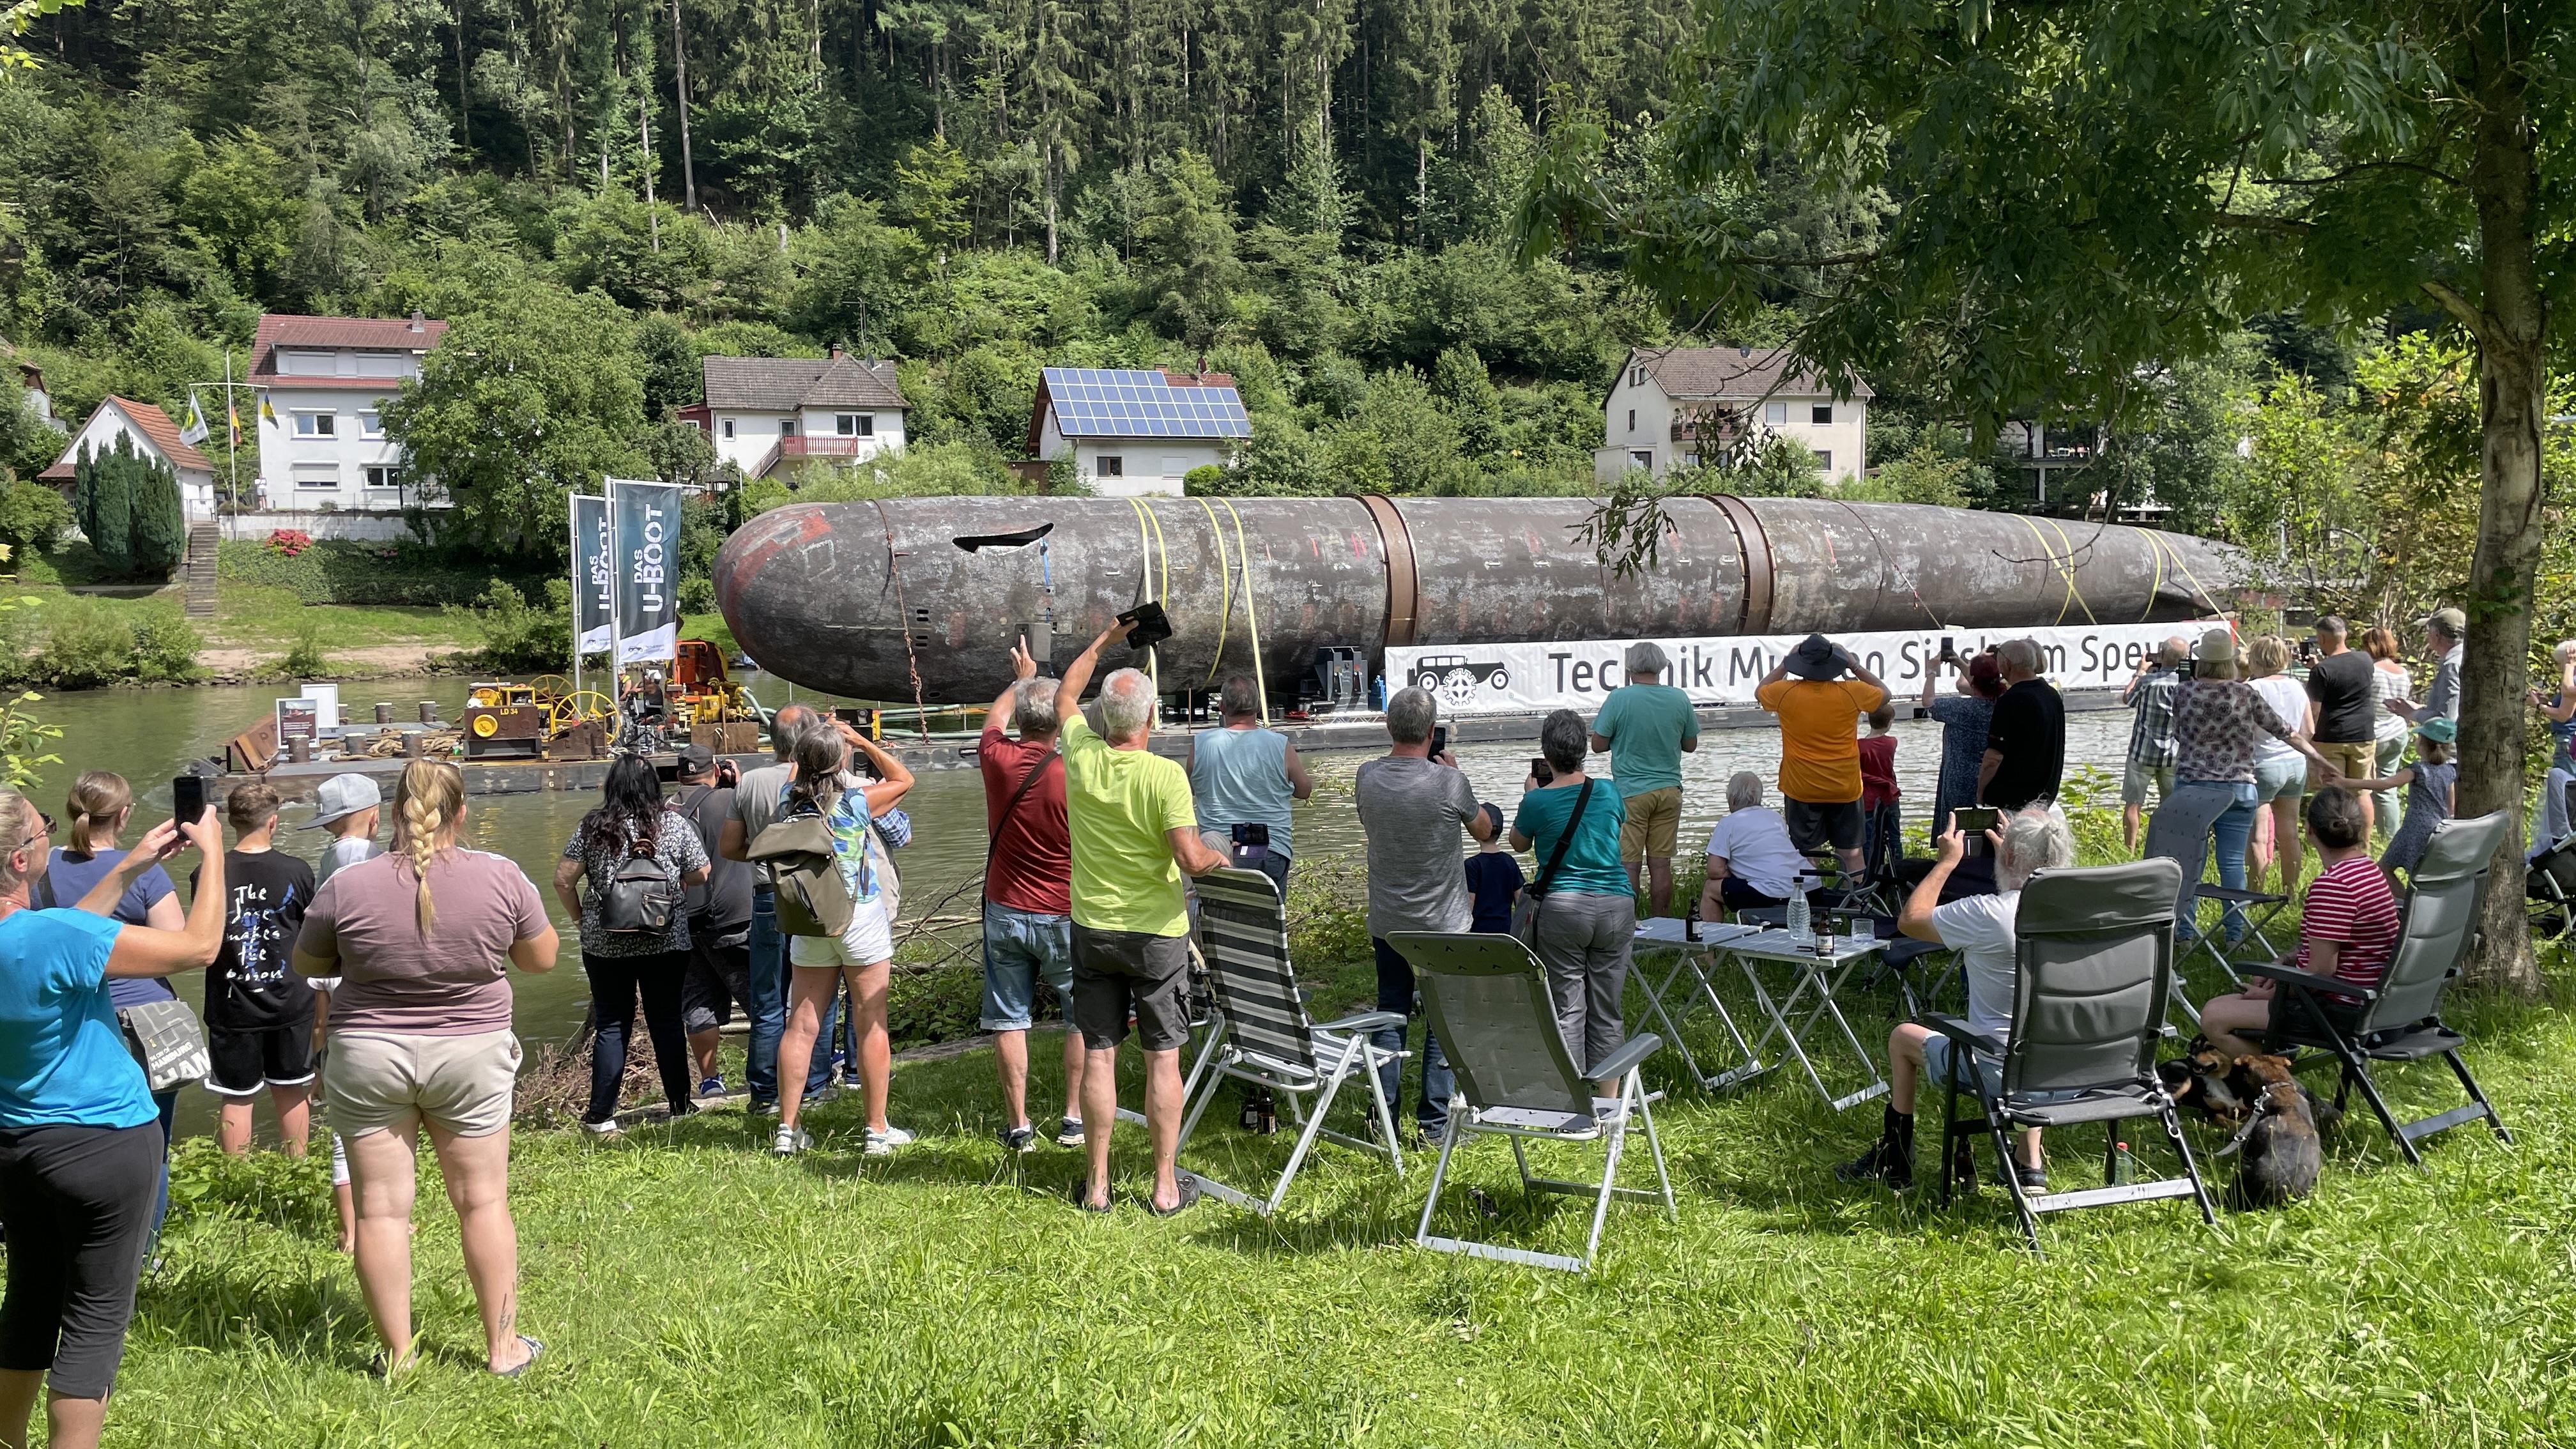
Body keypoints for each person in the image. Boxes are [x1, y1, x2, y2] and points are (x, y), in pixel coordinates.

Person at [291, 759, 558, 1379]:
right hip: (470, 1054)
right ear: (461, 814)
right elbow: (542, 960)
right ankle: (503, 1350)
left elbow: (309, 963)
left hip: (369, 1054)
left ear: (392, 815)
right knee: (483, 1201)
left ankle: (398, 1356)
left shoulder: (347, 887)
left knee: (381, 1211)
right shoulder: (502, 877)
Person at [0, 791, 221, 1449]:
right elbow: (200, 946)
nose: (51, 836)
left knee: (31, 1297)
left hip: (14, 1144)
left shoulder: (45, 936)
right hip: (103, 1143)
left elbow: (66, 942)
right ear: (20, 858)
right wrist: (212, 859)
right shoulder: (52, 936)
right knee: (94, 1319)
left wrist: (129, 869)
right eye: (43, 831)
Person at [1053, 624, 1228, 1214]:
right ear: (1150, 719)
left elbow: (1062, 697)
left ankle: (1098, 1187)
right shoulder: (1165, 776)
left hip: (1093, 929)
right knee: (1163, 1057)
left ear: (1105, 718)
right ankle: (1164, 1186)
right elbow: (1189, 858)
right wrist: (1215, 856)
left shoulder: (1080, 757)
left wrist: (1105, 638)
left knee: (1100, 1053)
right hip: (1156, 936)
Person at [1837, 808, 2074, 1193]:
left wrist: (1947, 862)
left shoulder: (1990, 915)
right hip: (2074, 1071)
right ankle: (2028, 1162)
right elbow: (2024, 896)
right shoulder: (2078, 911)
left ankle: (1896, 1157)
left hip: (1998, 1071)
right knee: (2033, 1040)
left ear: (2010, 856)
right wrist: (2009, 861)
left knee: (1903, 1037)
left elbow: (1911, 920)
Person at [41, 773, 187, 1251]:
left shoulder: (44, 869)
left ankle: (71, 1242)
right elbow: (177, 946)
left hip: (75, 1023)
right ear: (125, 816)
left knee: (73, 1135)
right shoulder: (143, 870)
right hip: (150, 1022)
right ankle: (145, 1254)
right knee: (154, 1147)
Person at [1354, 686, 1503, 1142]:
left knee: (1390, 1013)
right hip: (1443, 927)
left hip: (1389, 922)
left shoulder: (1367, 776)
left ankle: (1382, 1121)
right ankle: (1436, 1125)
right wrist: (1458, 776)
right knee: (1442, 1021)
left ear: (1388, 726)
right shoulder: (1448, 783)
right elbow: (1484, 829)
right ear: (1433, 731)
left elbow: (1368, 821)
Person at [769, 720, 917, 1158]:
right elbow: (904, 778)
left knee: (801, 1023)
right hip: (859, 919)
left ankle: (787, 1129)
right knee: (871, 1020)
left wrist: (814, 745)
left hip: (811, 919)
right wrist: (861, 741)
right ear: (839, 762)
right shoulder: (854, 802)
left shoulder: (786, 802)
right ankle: (875, 1130)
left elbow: (801, 771)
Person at [555, 754, 711, 1135]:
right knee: (667, 1020)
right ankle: (679, 1105)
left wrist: (580, 919)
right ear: (654, 788)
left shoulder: (593, 827)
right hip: (666, 939)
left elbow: (562, 880)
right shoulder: (673, 824)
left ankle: (601, 1115)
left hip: (605, 943)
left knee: (612, 1023)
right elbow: (702, 873)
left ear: (613, 787)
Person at [2195, 788, 2398, 1061]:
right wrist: (2287, 962)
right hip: (2376, 1003)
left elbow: (2320, 972)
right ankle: (2277, 1070)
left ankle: (2287, 1092)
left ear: (2310, 830)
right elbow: (2335, 949)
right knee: (2226, 1007)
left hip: (2341, 1009)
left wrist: (2273, 996)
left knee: (2214, 1016)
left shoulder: (2333, 887)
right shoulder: (2369, 871)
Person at [978, 643, 1086, 1153]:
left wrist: (1022, 680)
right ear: (1060, 724)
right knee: (1078, 1015)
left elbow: (994, 719)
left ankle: (1020, 1124)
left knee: (1009, 1016)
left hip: (1005, 908)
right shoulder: (1076, 774)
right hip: (1063, 910)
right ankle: (1072, 1116)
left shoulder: (996, 759)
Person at [2170, 630, 2339, 947]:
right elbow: (2286, 731)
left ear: (2202, 661)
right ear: (2231, 662)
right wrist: (2318, 759)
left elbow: (2179, 734)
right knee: (2232, 863)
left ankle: (2185, 933)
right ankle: (2236, 935)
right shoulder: (2245, 695)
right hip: (2239, 787)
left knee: (2191, 861)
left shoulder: (2184, 693)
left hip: (2193, 787)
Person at [1510, 709, 1634, 1093]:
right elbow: (1615, 824)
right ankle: (1609, 1100)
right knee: (1607, 1008)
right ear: (1583, 750)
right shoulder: (1609, 790)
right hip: (1616, 903)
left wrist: (1532, 797)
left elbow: (1518, 844)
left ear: (1545, 753)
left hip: (1564, 908)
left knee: (1568, 1006)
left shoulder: (1538, 802)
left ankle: (1574, 1098)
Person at [194, 784, 318, 1157]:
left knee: (236, 1096)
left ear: (231, 822)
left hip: (232, 1004)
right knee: (293, 1088)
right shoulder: (296, 871)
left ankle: (238, 1176)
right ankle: (297, 1169)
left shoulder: (207, 872)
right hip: (290, 1002)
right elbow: (309, 932)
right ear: (273, 823)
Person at [717, 701, 827, 1115]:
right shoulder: (826, 780)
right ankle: (815, 1084)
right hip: (815, 898)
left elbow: (729, 847)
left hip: (767, 897)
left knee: (768, 998)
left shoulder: (750, 784)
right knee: (815, 997)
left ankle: (763, 1092)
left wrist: (767, 854)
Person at [300, 772, 379, 1256]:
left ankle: (352, 1229)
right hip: (357, 986)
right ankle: (361, 1227)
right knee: (366, 1127)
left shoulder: (330, 856)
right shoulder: (360, 857)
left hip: (332, 982)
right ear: (373, 815)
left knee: (348, 1127)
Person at [1756, 634, 1889, 876]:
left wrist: (1785, 663)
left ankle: (1810, 907)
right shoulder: (1852, 692)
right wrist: (1853, 664)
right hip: (1844, 787)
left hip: (1801, 787)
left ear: (1800, 664)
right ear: (1834, 663)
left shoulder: (1783, 692)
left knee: (1807, 855)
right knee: (1852, 854)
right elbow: (1885, 694)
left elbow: (1760, 691)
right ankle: (1857, 905)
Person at [1588, 642, 1700, 914]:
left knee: (1629, 865)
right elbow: (1691, 744)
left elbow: (1598, 745)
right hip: (1670, 791)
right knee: (1661, 865)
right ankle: (1663, 926)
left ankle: (1630, 928)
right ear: (1661, 667)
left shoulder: (1619, 699)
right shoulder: (1679, 698)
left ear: (1629, 668)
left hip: (1631, 794)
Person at [671, 746, 754, 1101]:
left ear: (679, 777)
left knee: (698, 1000)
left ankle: (709, 1079)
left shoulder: (664, 811)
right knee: (762, 998)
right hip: (733, 918)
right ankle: (768, 1070)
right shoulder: (731, 801)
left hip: (684, 923)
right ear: (716, 771)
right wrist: (737, 783)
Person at [1186, 675, 1311, 893]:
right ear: (1259, 707)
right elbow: (1304, 790)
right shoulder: (1280, 745)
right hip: (1271, 848)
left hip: (1220, 849)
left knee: (1223, 919)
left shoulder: (1200, 744)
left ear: (1222, 707)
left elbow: (1191, 790)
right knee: (1269, 920)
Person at [2243, 636, 2315, 897]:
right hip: (2295, 763)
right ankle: (2291, 892)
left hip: (2263, 764)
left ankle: (2255, 894)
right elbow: (2309, 729)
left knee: (2259, 836)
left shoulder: (2254, 688)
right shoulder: (2297, 686)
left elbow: (2245, 732)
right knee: (2289, 833)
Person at [2346, 716, 2457, 884]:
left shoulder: (2417, 770)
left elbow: (2386, 784)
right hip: (2439, 829)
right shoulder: (2449, 771)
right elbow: (2451, 807)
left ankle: (2408, 905)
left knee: (2385, 868)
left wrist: (2346, 781)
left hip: (2414, 828)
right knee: (2422, 876)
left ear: (2422, 743)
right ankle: (2412, 905)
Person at [2306, 617, 2384, 840]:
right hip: (2363, 734)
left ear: (2321, 638)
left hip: (2330, 737)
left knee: (2331, 793)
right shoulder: (2365, 659)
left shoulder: (2322, 671)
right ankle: (2364, 844)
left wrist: (2309, 740)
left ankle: (2332, 842)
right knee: (2361, 792)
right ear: (2345, 635)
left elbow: (2315, 711)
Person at [1696, 772, 1806, 916]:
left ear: (1732, 799)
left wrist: (1738, 872)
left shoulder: (1728, 823)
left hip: (1769, 894)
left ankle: (1712, 936)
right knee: (1749, 885)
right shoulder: (1776, 818)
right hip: (1804, 888)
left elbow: (1715, 871)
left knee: (1711, 888)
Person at [1923, 650, 2005, 838]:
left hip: (1958, 779)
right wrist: (1961, 663)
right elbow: (1982, 684)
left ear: (1973, 680)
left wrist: (1931, 673)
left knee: (1955, 832)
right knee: (1988, 833)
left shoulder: (1962, 709)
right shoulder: (2004, 703)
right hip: (1992, 778)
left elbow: (1928, 702)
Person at [1977, 638, 2065, 811]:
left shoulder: (2011, 700)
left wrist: (1980, 792)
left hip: (2012, 800)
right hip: (2044, 798)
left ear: (2008, 664)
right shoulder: (2052, 695)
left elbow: (1993, 758)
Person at [2119, 638, 2189, 851]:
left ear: (2161, 656)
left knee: (2133, 805)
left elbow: (2127, 699)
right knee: (2170, 806)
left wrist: (2140, 671)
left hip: (2142, 752)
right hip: (2173, 754)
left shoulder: (2148, 681)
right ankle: (2167, 848)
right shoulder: (2187, 685)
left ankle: (2129, 850)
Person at [2363, 626, 2414, 843]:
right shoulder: (2403, 672)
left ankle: (2369, 834)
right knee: (2388, 787)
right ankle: (2390, 836)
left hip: (2375, 734)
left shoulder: (2372, 671)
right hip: (2398, 731)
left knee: (2365, 788)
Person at [2528, 640, 2576, 854]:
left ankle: (2562, 844)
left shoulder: (2572, 678)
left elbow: (2565, 714)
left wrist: (2538, 707)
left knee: (2564, 796)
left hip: (2568, 743)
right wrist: (2546, 702)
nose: (2558, 668)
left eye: (2559, 663)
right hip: (2567, 742)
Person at [2386, 607, 2464, 726]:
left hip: (2447, 743)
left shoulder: (2452, 665)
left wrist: (2411, 713)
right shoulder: (2463, 658)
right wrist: (2420, 708)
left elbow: (2446, 720)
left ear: (2436, 635)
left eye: (2429, 631)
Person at [1856, 703, 1901, 875]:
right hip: (1890, 795)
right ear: (1890, 723)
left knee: (1869, 840)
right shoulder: (1891, 742)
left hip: (1868, 799)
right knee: (1894, 838)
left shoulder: (1858, 746)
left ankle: (1871, 874)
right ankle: (1898, 872)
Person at [1464, 836, 1523, 935]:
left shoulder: (1471, 865)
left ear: (1475, 835)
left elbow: (1470, 901)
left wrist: (1465, 931)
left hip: (1479, 929)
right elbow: (1519, 897)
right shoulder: (1509, 861)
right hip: (1506, 928)